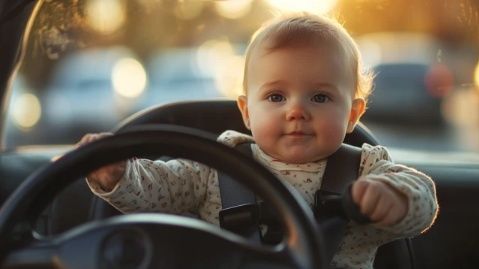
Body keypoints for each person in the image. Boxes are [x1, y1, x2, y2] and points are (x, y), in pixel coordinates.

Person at [79, 13, 438, 269]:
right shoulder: (216, 164)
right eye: (277, 97)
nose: (296, 111)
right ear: (247, 111)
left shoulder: (366, 170)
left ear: (352, 115)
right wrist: (120, 174)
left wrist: (396, 197)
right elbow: (159, 189)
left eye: (320, 97)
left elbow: (422, 200)